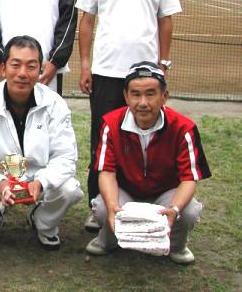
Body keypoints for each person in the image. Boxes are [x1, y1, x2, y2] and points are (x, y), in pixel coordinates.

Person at [75, 0, 182, 231]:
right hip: (107, 73)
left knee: (144, 141)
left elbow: (165, 20)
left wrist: (163, 64)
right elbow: (87, 21)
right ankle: (98, 207)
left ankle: (141, 203)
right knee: (102, 140)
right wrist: (85, 64)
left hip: (146, 76)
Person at [0, 35, 83, 249]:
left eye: (31, 66)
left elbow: (65, 157)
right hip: (0, 177)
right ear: (3, 69)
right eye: (15, 65)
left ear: (40, 70)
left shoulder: (55, 104)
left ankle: (43, 223)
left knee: (70, 189)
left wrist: (41, 182)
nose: (23, 73)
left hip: (38, 177)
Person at [85, 62, 211, 264]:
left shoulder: (183, 128)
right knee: (102, 207)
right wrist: (112, 205)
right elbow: (106, 172)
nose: (143, 102)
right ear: (126, 96)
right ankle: (108, 240)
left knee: (188, 211)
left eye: (150, 94)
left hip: (165, 193)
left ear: (164, 96)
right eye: (135, 94)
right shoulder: (110, 123)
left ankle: (176, 245)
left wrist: (174, 209)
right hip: (127, 191)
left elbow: (189, 178)